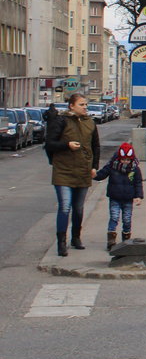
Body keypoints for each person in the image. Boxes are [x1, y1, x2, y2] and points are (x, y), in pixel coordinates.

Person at [44, 93, 100, 257]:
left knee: (79, 208)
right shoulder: (61, 121)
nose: (85, 107)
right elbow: (49, 144)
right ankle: (61, 242)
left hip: (83, 170)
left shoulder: (90, 122)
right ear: (72, 106)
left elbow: (95, 146)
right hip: (64, 171)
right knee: (65, 206)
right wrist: (67, 145)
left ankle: (76, 237)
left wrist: (94, 166)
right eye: (82, 105)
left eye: (86, 105)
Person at [94, 142, 144, 251]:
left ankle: (126, 240)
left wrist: (138, 196)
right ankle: (111, 241)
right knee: (114, 217)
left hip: (128, 199)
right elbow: (103, 173)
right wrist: (95, 175)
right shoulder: (112, 166)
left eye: (127, 160)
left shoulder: (135, 169)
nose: (125, 162)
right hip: (115, 197)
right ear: (119, 158)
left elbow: (138, 183)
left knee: (127, 219)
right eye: (123, 159)